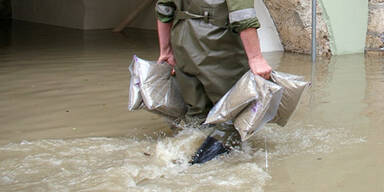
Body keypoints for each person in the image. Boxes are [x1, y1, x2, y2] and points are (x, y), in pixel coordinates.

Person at [156, 0, 272, 164]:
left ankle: (183, 158)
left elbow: (164, 8)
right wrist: (256, 58)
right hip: (217, 42)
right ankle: (204, 165)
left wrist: (166, 50)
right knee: (234, 112)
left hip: (181, 39)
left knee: (196, 113)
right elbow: (243, 15)